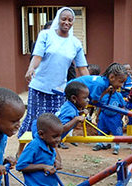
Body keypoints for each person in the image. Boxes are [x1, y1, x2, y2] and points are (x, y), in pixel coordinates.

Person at [20, 7, 90, 139]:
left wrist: (89, 88)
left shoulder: (75, 43)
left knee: (54, 124)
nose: (67, 22)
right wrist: (31, 69)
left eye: (70, 20)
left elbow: (82, 68)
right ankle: (22, 151)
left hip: (59, 91)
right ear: (58, 19)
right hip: (39, 87)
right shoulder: (46, 35)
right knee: (35, 121)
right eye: (64, 19)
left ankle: (48, 155)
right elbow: (37, 56)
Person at [16, 113, 65, 186]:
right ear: (41, 134)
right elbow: (20, 166)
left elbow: (50, 160)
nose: (58, 140)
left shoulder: (49, 144)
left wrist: (56, 162)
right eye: (55, 136)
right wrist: (43, 166)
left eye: (60, 136)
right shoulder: (34, 146)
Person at [93, 91, 126, 155]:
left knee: (117, 132)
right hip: (104, 115)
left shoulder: (118, 95)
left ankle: (116, 146)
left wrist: (121, 116)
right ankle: (100, 143)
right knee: (101, 129)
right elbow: (100, 106)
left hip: (115, 116)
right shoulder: (104, 95)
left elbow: (123, 106)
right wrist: (97, 115)